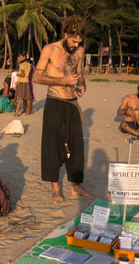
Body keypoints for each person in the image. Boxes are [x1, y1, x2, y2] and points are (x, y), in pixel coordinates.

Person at [33, 15, 94, 204]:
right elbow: (37, 77)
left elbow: (80, 73)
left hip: (72, 102)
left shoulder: (80, 51)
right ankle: (55, 189)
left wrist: (81, 85)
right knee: (52, 145)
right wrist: (62, 81)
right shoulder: (49, 49)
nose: (76, 45)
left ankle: (75, 186)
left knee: (76, 145)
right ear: (64, 34)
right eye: (73, 41)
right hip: (54, 101)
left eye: (79, 42)